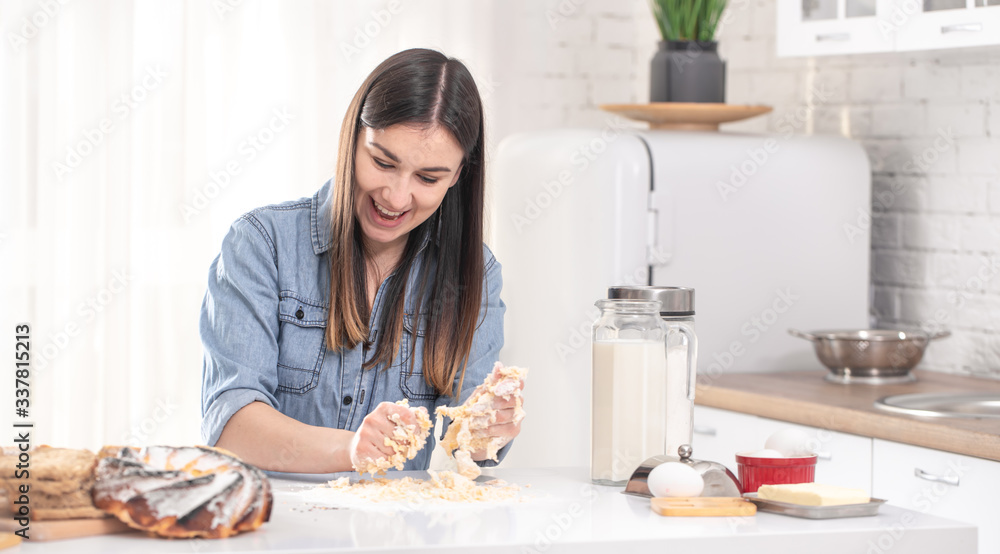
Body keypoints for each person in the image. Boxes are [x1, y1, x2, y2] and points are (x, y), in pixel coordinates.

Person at [199, 48, 522, 474]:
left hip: (395, 535)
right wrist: (351, 449)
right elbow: (230, 424)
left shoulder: (475, 273)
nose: (396, 196)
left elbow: (465, 444)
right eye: (383, 162)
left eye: (429, 178)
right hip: (278, 530)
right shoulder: (262, 244)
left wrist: (488, 426)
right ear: (352, 139)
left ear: (458, 175)